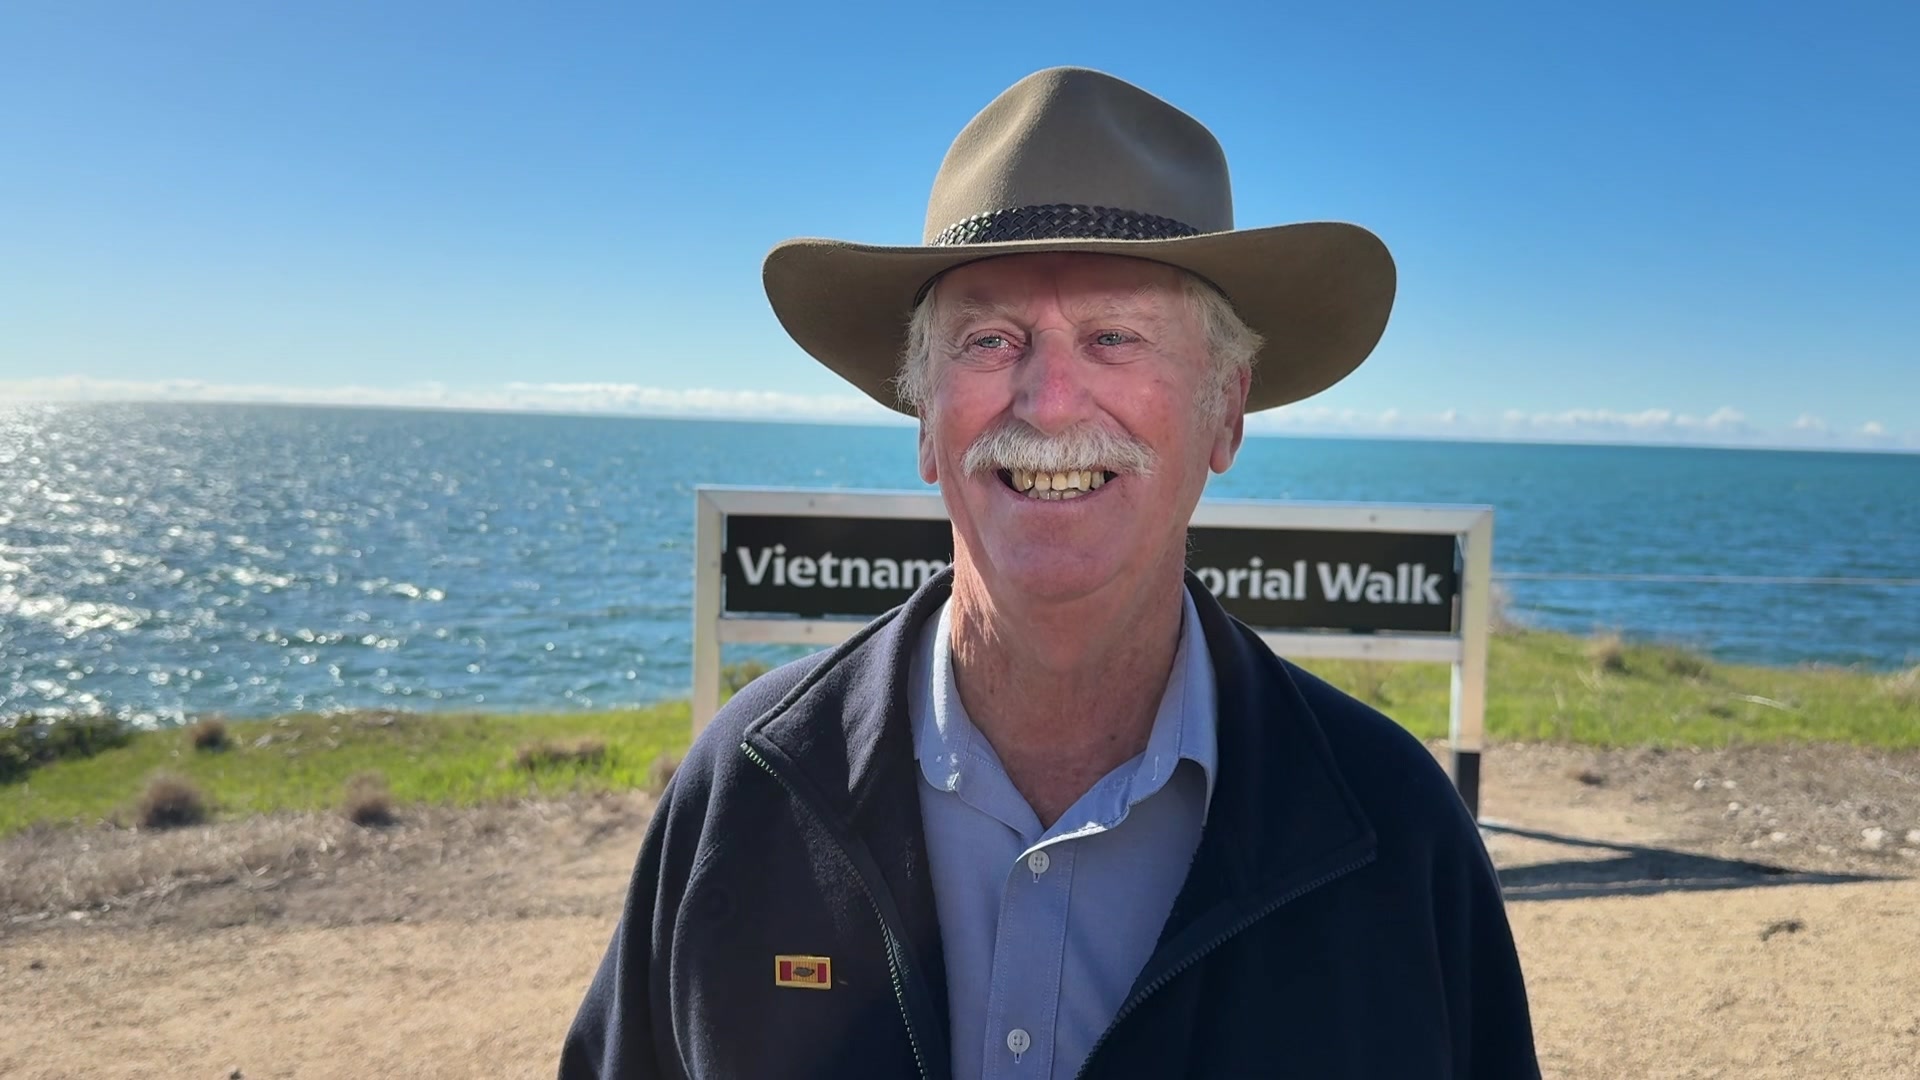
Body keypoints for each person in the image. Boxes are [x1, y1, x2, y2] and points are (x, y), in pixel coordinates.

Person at [561, 67, 1538, 1079]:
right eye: (990, 340)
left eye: (1115, 336)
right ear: (925, 416)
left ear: (1226, 410)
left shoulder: (1393, 836)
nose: (1052, 401)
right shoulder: (743, 797)